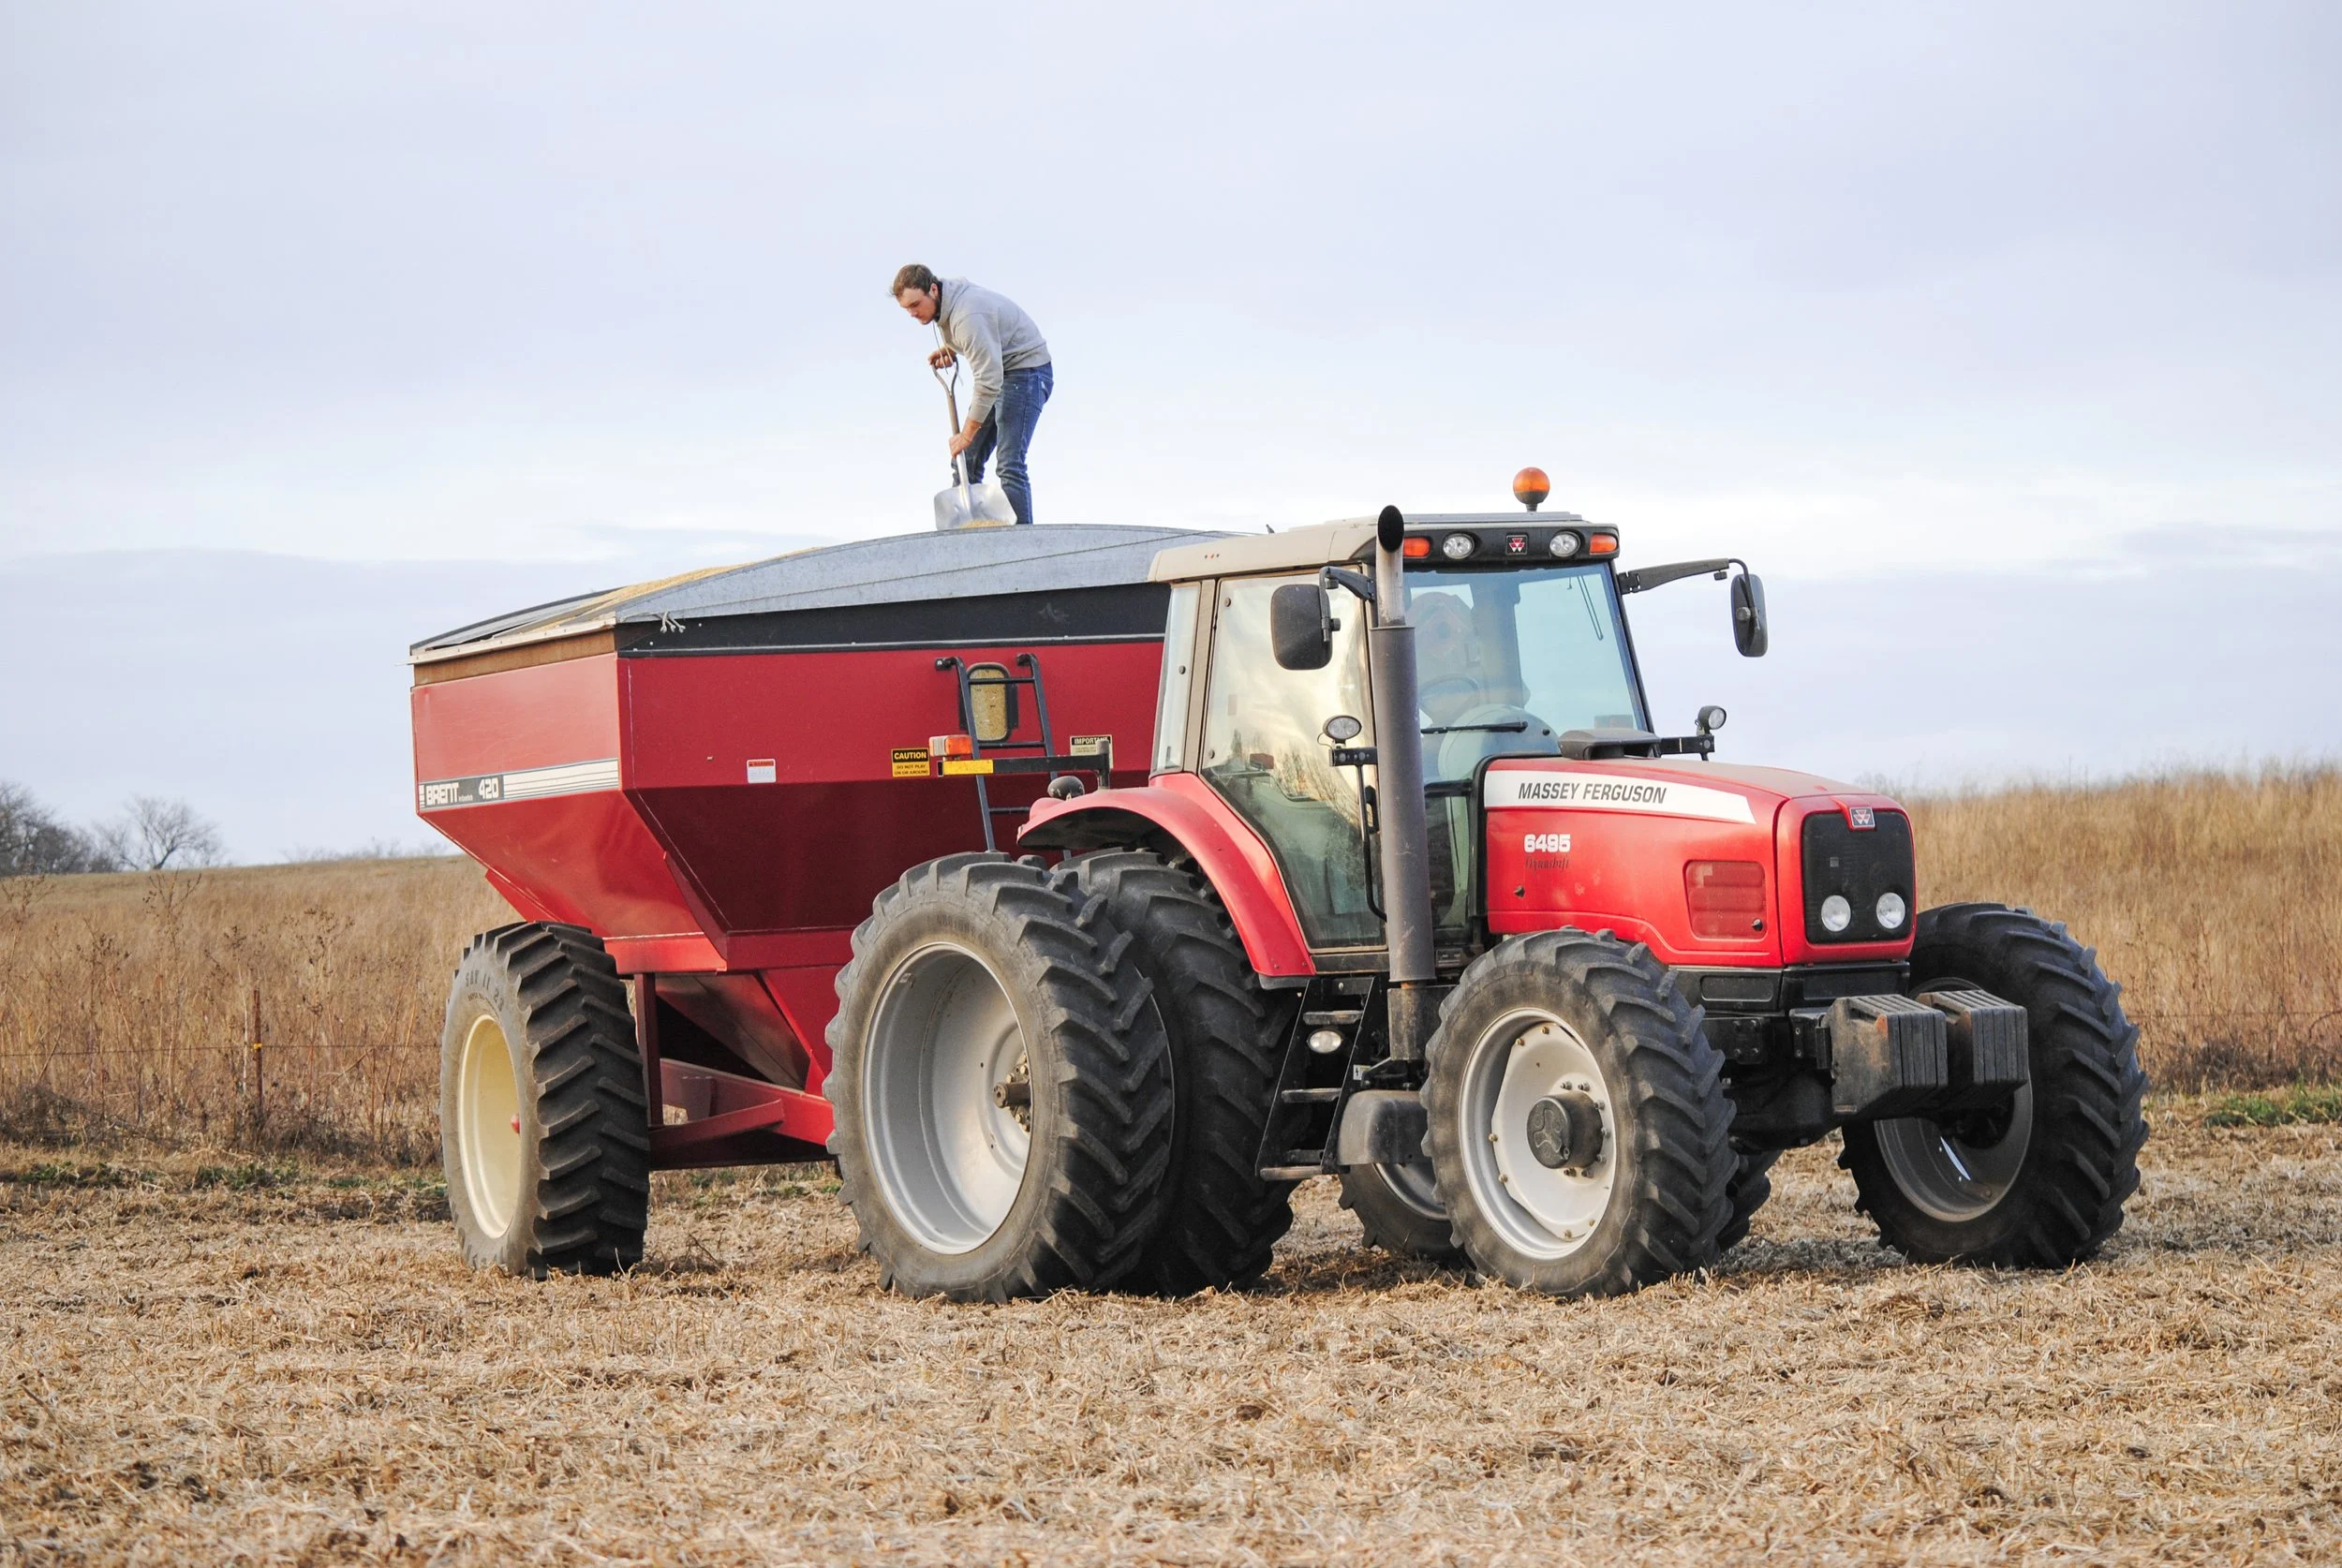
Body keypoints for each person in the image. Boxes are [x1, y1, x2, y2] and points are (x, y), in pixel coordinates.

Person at [892, 264, 1054, 525]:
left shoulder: (967, 315)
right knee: (966, 461)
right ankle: (968, 541)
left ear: (933, 289)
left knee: (1009, 463)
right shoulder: (947, 303)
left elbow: (989, 380)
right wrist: (952, 347)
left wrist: (967, 434)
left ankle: (1023, 545)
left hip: (1027, 372)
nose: (912, 313)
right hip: (1002, 369)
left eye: (915, 304)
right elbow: (984, 337)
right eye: (906, 309)